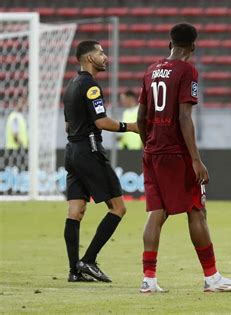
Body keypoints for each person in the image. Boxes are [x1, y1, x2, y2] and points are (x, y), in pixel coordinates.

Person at [136, 23, 231, 293]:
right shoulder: (187, 70)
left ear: (169, 43)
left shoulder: (151, 71)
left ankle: (148, 280)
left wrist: (149, 144)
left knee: (156, 212)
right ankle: (212, 278)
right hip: (176, 153)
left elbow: (141, 116)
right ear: (193, 46)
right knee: (197, 210)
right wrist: (195, 159)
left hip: (152, 151)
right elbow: (184, 116)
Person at [62, 40, 139, 283]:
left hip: (72, 152)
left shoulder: (71, 85)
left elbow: (67, 124)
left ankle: (74, 270)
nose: (105, 57)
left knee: (75, 211)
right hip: (89, 150)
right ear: (88, 58)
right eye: (100, 53)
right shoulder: (91, 86)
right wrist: (133, 127)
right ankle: (89, 260)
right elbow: (102, 122)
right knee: (118, 208)